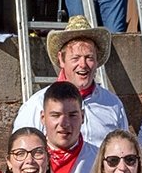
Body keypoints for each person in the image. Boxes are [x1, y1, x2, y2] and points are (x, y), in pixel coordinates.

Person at [14, 17, 131, 149]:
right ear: (61, 60)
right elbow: (21, 153)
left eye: (89, 58)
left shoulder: (112, 104)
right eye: (75, 58)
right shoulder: (37, 104)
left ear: (97, 61)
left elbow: (124, 150)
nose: (83, 65)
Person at [17, 82, 96, 173]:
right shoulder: (26, 163)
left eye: (72, 115)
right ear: (43, 118)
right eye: (55, 115)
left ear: (83, 116)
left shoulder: (98, 160)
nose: (64, 123)